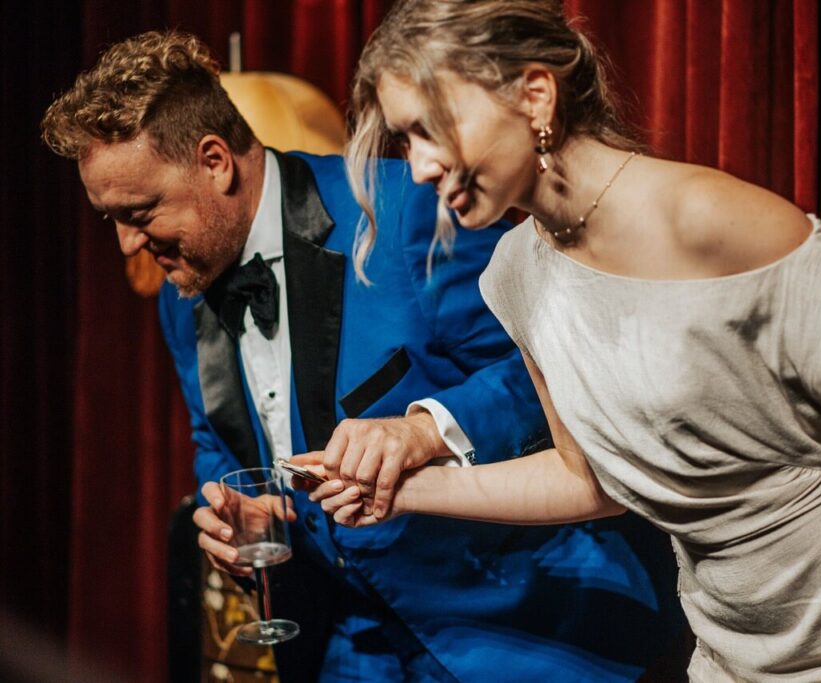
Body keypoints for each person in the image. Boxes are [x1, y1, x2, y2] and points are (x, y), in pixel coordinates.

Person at [303, 0, 821, 680]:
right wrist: (405, 491)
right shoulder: (513, 274)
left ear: (535, 96)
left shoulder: (693, 214)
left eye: (431, 127)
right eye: (408, 139)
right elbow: (586, 480)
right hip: (729, 649)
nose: (420, 166)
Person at [40, 30, 686, 682]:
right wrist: (240, 511)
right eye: (110, 219)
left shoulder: (405, 210)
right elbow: (215, 440)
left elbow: (546, 369)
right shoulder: (179, 293)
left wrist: (423, 429)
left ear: (215, 161)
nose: (127, 245)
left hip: (513, 623)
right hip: (341, 642)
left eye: (140, 211)